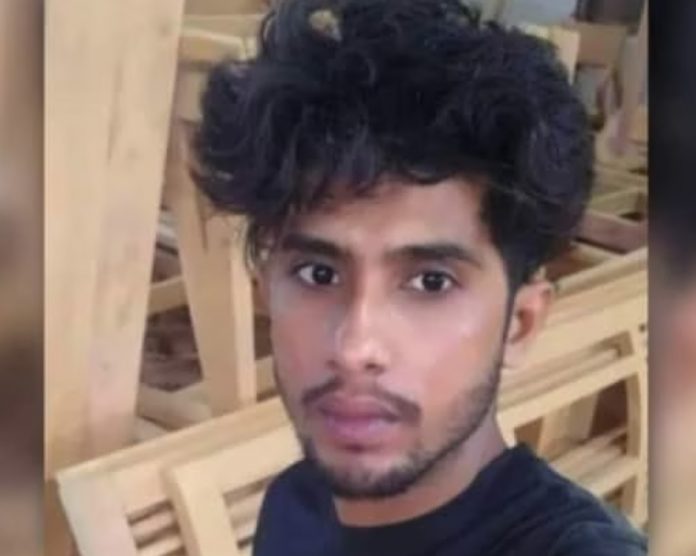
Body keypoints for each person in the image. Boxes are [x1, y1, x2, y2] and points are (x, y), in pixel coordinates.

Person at [195, 0, 647, 554]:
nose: (355, 348)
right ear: (265, 291)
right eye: (318, 273)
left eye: (430, 283)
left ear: (520, 325)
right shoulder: (296, 503)